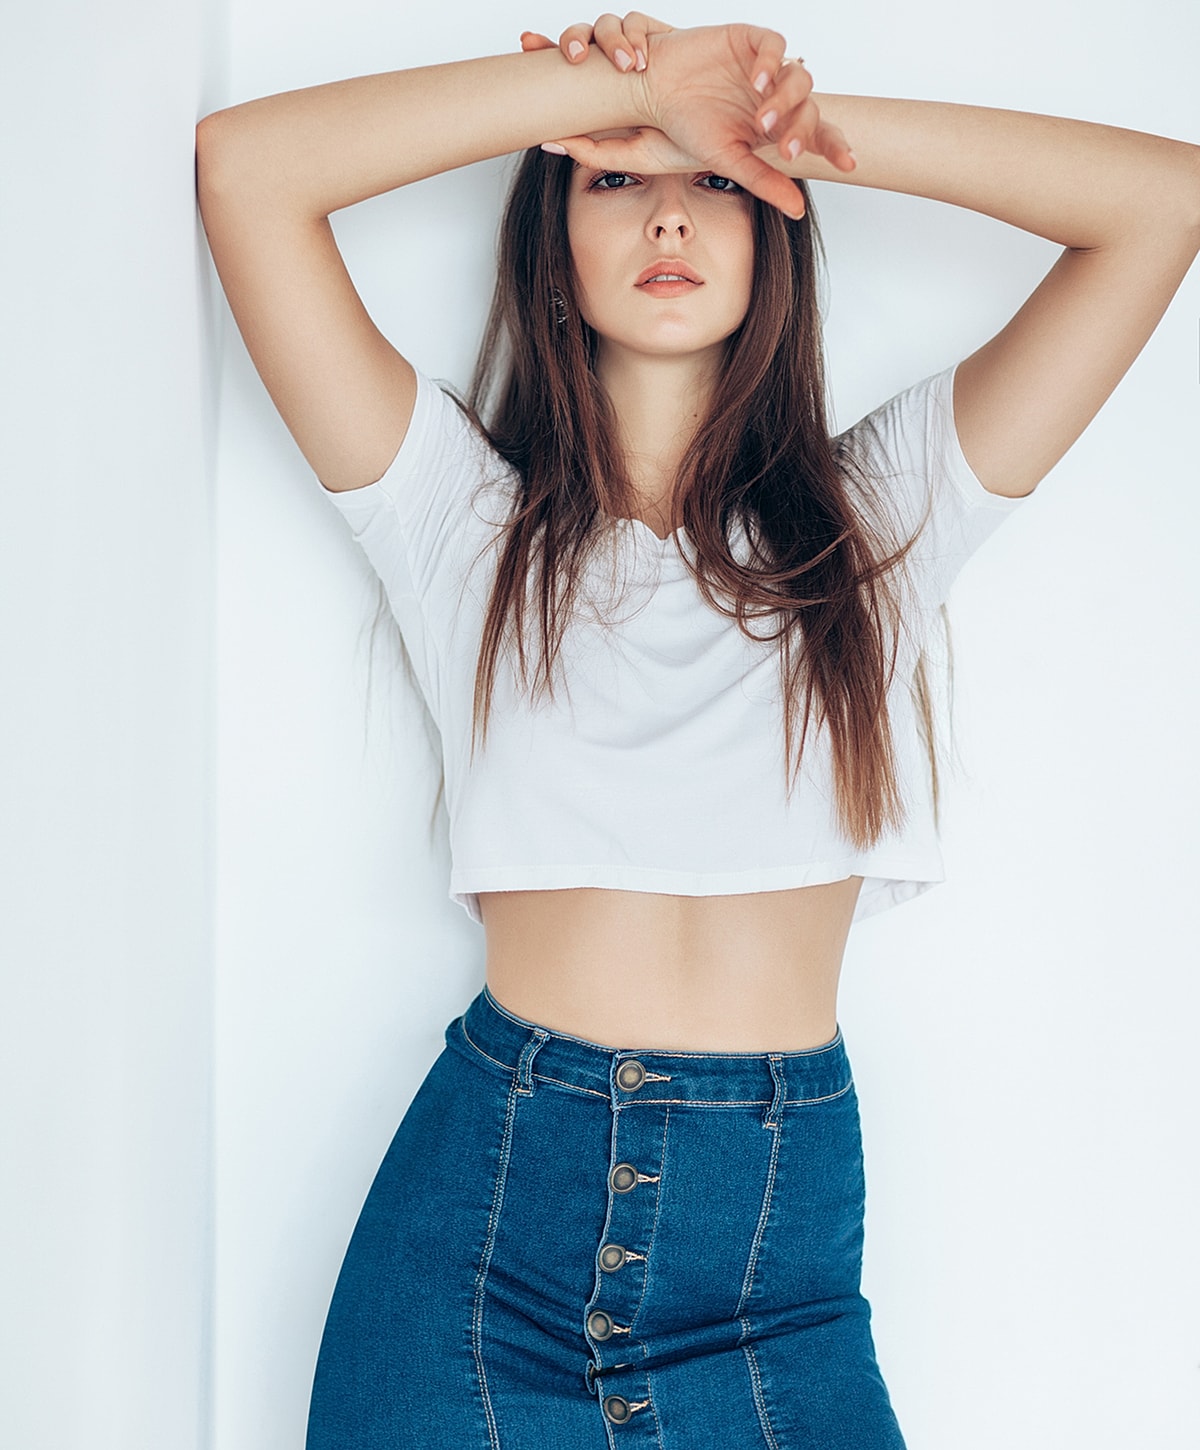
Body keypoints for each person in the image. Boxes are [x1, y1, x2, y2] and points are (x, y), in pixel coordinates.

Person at [195, 14, 1199, 1447]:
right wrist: (633, 86)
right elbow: (246, 171)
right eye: (617, 179)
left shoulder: (875, 527)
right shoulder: (459, 525)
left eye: (715, 183)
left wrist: (778, 122)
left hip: (768, 1284)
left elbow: (1165, 204)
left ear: (775, 222)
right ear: (554, 238)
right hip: (483, 1252)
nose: (672, 204)